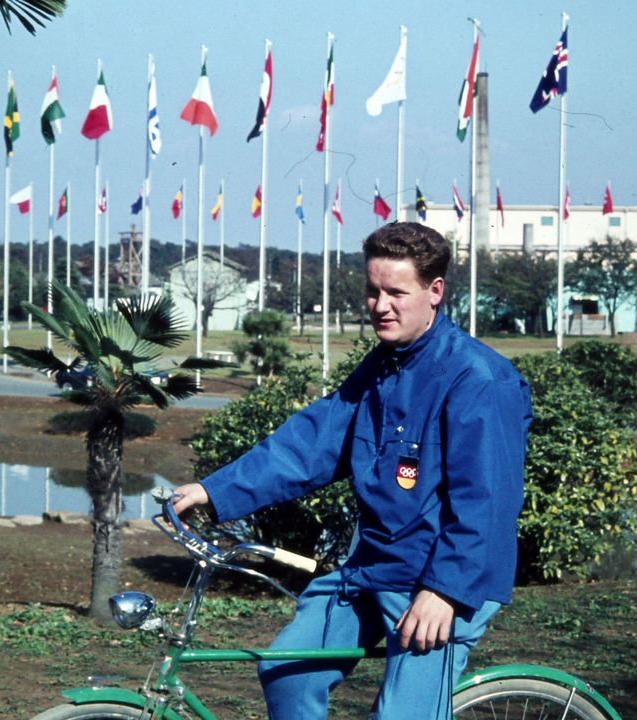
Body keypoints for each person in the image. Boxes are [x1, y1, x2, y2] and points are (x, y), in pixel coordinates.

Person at [171, 222, 532, 719]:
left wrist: (444, 592)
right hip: (375, 565)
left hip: (441, 579)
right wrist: (214, 491)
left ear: (434, 292)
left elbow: (486, 502)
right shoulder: (385, 363)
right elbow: (313, 443)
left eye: (396, 292)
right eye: (372, 290)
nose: (380, 305)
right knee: (286, 670)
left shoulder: (479, 379)